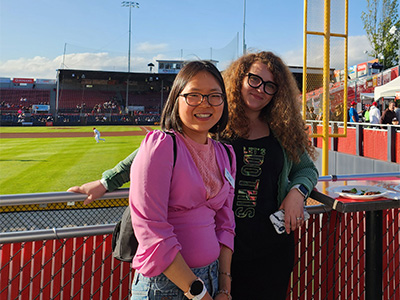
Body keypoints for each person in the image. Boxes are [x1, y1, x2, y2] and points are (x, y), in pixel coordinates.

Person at [69, 52, 319, 300]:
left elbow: (306, 170)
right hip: (217, 253)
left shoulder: (281, 130)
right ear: (240, 79)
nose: (260, 89)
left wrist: (298, 192)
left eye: (270, 85)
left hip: (265, 251)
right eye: (254, 79)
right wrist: (106, 181)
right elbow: (154, 150)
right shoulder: (213, 118)